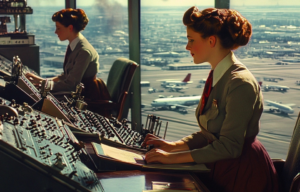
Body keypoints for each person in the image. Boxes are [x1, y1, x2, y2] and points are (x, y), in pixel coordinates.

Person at [142, 6, 279, 192]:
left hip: (241, 175)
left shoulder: (240, 83)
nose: (187, 46)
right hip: (221, 165)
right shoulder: (219, 74)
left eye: (191, 40)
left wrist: (171, 158)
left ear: (211, 41)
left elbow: (229, 146)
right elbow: (211, 134)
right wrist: (173, 146)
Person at [25, 8, 110, 104]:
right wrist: (42, 80)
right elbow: (66, 76)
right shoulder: (75, 45)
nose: (55, 32)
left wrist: (44, 85)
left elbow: (71, 85)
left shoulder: (84, 51)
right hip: (75, 95)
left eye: (58, 28)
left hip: (86, 100)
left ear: (70, 28)